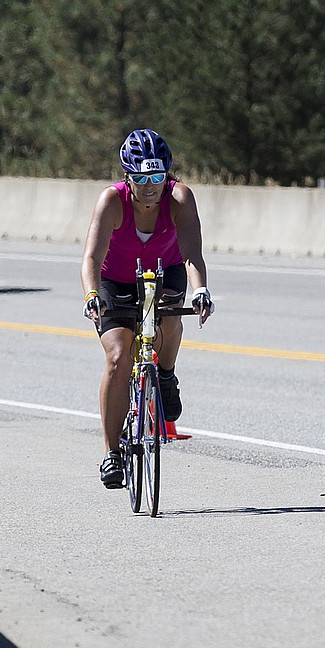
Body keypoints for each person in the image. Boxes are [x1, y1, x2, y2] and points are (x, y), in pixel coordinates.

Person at [81, 129, 214, 489]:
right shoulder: (111, 201)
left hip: (166, 270)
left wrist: (200, 289)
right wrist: (92, 294)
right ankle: (112, 453)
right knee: (118, 358)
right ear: (127, 177)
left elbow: (191, 254)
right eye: (141, 179)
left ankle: (166, 376)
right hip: (115, 281)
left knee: (169, 317)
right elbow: (91, 257)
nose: (150, 186)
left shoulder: (180, 198)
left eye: (157, 177)